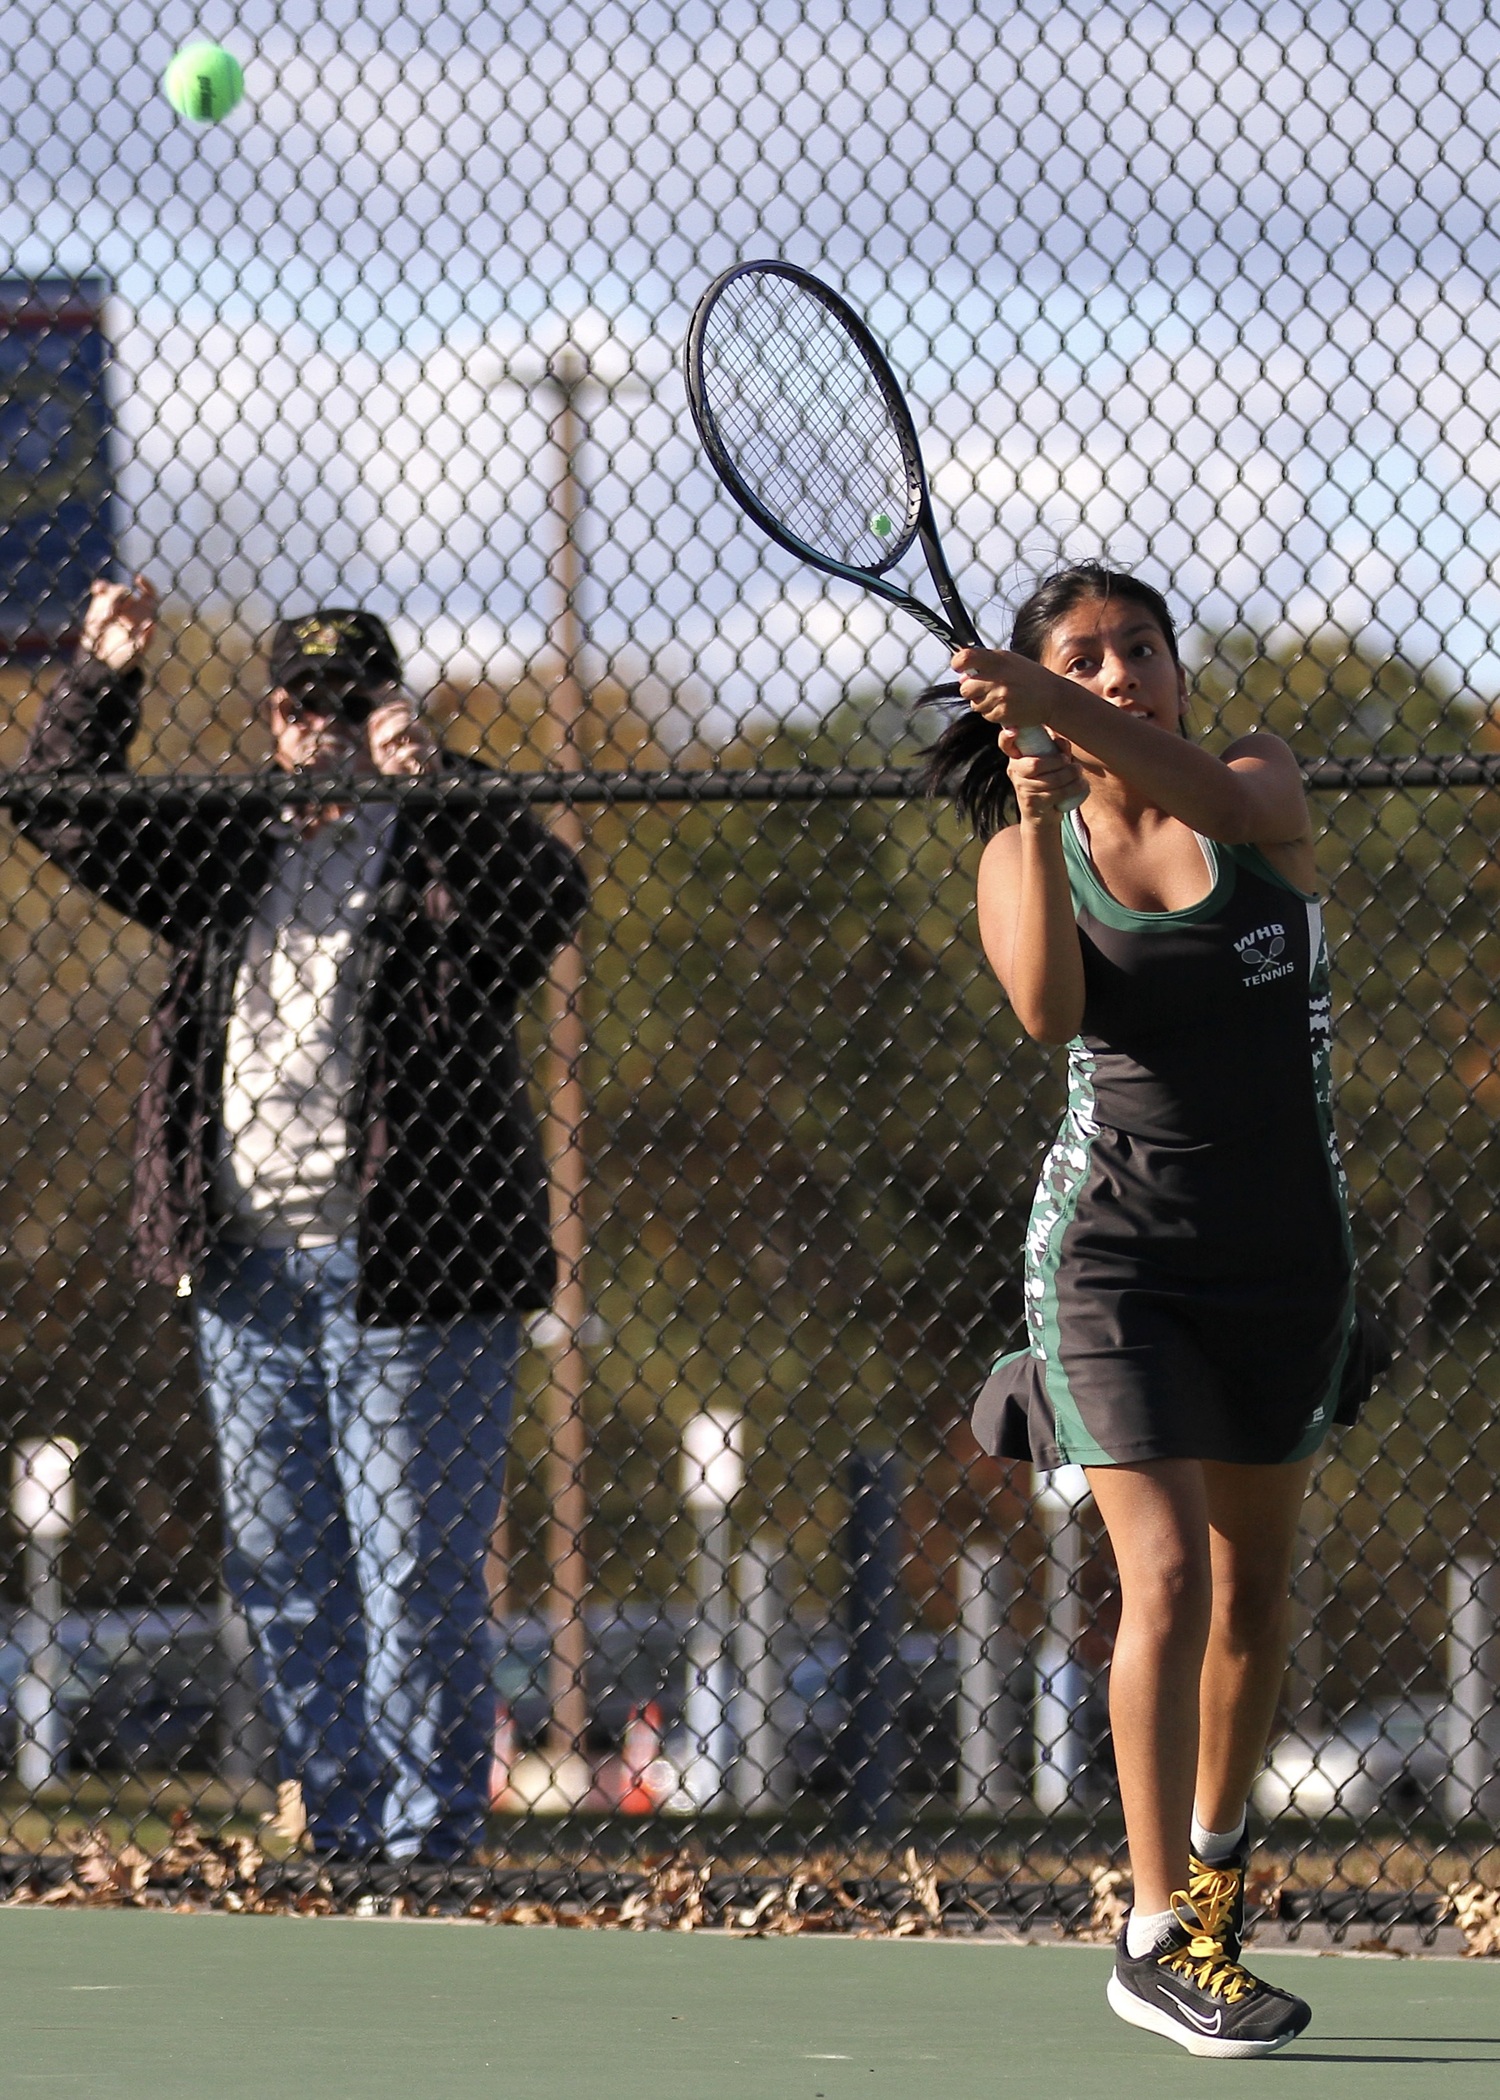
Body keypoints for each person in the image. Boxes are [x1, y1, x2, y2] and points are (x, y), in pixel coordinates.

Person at [14, 576, 588, 1867]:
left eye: (350, 704)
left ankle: (425, 1843)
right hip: (247, 1273)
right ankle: (335, 1832)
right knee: (283, 1568)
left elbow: (549, 898)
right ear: (272, 720)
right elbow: (62, 811)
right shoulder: (232, 845)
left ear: (388, 710)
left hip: (415, 1276)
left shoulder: (442, 846)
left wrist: (436, 778)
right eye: (300, 708)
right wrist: (103, 678)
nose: (322, 730)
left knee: (411, 1574)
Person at [933, 563, 1375, 2057]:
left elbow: (1238, 812)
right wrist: (1046, 803)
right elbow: (1051, 1013)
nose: (1119, 671)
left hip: (1287, 1263)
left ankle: (1216, 1887)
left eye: (1141, 649)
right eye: (1083, 656)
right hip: (1114, 1265)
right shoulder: (1019, 851)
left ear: (1181, 670)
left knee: (1255, 1598)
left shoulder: (1256, 781)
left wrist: (1057, 706)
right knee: (1168, 1576)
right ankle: (1147, 1930)